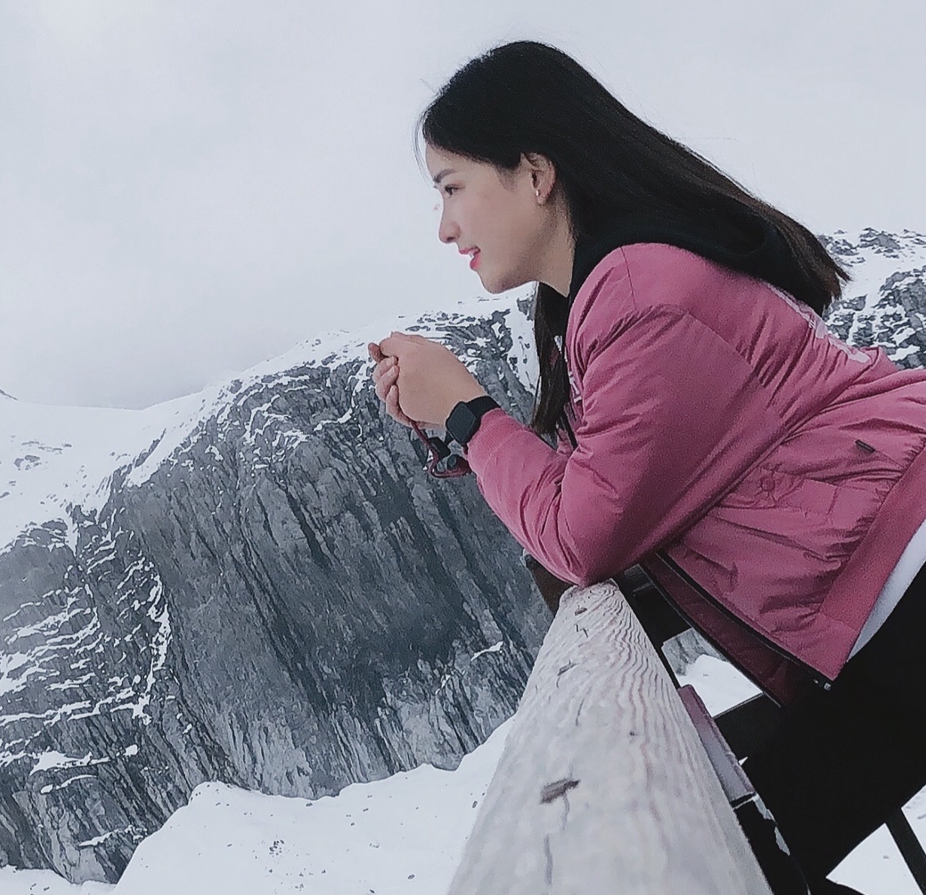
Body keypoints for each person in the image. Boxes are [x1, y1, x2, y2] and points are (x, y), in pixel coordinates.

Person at [369, 41, 926, 895]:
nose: (445, 226)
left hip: (902, 601)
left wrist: (470, 413)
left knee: (731, 846)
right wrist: (451, 424)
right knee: (739, 835)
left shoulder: (636, 296)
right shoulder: (607, 291)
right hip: (883, 617)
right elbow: (613, 496)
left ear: (534, 172)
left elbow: (582, 533)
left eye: (451, 188)